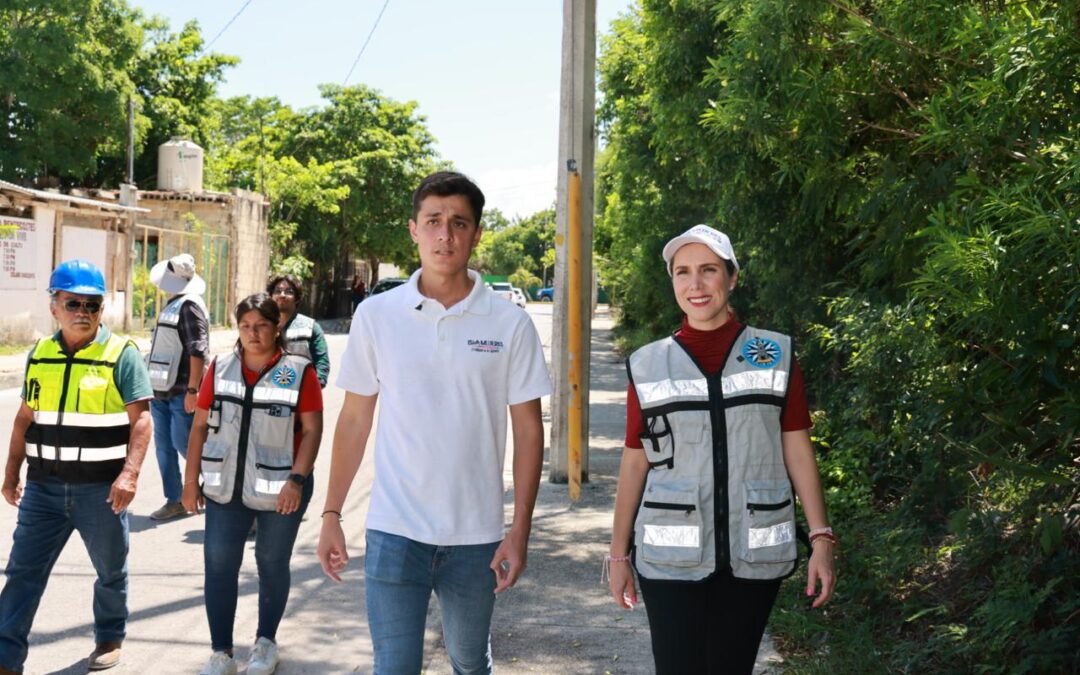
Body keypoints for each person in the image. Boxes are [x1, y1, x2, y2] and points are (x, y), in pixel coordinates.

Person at [317, 171, 551, 674]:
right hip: (393, 532)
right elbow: (355, 420)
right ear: (414, 230)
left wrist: (520, 529)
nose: (446, 234)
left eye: (459, 223)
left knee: (469, 662)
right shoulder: (377, 315)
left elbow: (530, 430)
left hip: (477, 537)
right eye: (434, 221)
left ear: (477, 233)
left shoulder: (509, 323)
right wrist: (332, 514)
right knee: (394, 667)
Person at [607, 225, 836, 674]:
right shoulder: (648, 364)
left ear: (732, 278)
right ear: (672, 281)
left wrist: (823, 537)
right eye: (683, 272)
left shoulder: (775, 354)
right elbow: (635, 462)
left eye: (708, 270)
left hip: (753, 555)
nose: (695, 284)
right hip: (669, 558)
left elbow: (797, 448)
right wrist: (618, 555)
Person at [0, 259, 153, 673]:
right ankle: (5, 659)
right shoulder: (41, 352)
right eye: (73, 303)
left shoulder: (122, 354)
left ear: (102, 309)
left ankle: (109, 635)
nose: (82, 312)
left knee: (109, 570)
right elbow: (25, 417)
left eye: (92, 304)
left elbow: (141, 419)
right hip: (44, 488)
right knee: (22, 573)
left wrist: (130, 474)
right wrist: (12, 471)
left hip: (100, 489)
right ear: (54, 306)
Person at [182, 293, 323, 675]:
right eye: (245, 326)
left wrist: (297, 479)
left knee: (271, 562)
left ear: (277, 327)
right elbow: (199, 425)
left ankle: (265, 643)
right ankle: (221, 653)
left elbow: (311, 430)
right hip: (226, 488)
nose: (253, 333)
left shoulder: (298, 370)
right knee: (219, 564)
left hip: (281, 490)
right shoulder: (220, 366)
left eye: (261, 325)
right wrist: (190, 480)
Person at [146, 252, 209, 521]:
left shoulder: (190, 306)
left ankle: (222, 486)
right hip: (160, 391)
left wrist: (193, 391)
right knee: (164, 448)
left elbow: (199, 351)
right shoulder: (175, 304)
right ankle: (175, 500)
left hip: (181, 392)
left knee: (185, 445)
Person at [266, 274, 330, 387]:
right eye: (278, 291)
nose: (282, 295)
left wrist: (314, 388)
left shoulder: (311, 327)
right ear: (271, 296)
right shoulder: (262, 325)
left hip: (301, 393)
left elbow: (322, 362)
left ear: (297, 298)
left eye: (288, 292)